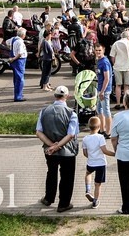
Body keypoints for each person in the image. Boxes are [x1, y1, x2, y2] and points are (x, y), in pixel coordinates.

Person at [36, 85, 79, 213]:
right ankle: (63, 203)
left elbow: (38, 132)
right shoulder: (71, 113)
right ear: (67, 96)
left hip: (49, 151)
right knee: (67, 176)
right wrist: (58, 146)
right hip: (68, 151)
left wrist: (51, 146)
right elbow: (71, 134)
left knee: (51, 173)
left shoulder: (44, 111)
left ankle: (48, 198)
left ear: (54, 96)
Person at [82, 116, 115, 209]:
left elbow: (85, 153)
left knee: (88, 173)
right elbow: (104, 150)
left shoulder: (85, 139)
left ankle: (88, 189)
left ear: (89, 126)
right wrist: (114, 154)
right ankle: (95, 201)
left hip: (91, 162)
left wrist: (91, 156)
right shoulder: (100, 137)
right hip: (101, 163)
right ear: (99, 126)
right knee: (98, 183)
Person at [110, 30, 129, 111]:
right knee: (126, 85)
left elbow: (112, 56)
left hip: (117, 66)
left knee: (118, 85)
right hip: (128, 66)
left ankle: (118, 103)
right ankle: (126, 103)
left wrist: (114, 64)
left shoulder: (116, 43)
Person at [95, 43, 113, 136]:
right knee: (99, 109)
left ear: (103, 50)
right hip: (100, 88)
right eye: (96, 50)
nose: (98, 52)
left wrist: (102, 91)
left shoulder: (104, 62)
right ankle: (102, 129)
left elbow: (107, 77)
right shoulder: (99, 60)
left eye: (100, 50)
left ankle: (108, 132)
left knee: (106, 110)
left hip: (104, 90)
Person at [8, 27, 28, 102]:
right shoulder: (20, 42)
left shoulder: (13, 39)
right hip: (19, 61)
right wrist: (13, 59)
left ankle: (17, 94)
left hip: (15, 61)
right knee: (20, 79)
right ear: (23, 35)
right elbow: (20, 53)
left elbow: (7, 42)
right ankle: (18, 96)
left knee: (16, 79)